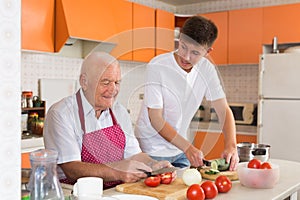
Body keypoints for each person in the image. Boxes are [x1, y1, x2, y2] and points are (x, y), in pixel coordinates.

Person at [43, 52, 174, 189]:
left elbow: (134, 154)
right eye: (105, 82)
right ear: (84, 82)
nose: (113, 90)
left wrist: (154, 165)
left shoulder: (119, 112)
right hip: (76, 194)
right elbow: (72, 169)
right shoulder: (61, 114)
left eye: (117, 82)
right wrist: (118, 172)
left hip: (114, 191)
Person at [135, 16, 239, 170]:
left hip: (180, 148)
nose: (186, 56)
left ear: (207, 51)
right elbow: (155, 118)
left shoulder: (207, 70)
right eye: (183, 47)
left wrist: (231, 145)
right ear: (179, 39)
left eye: (195, 52)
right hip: (152, 148)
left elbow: (223, 110)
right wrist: (188, 148)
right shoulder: (157, 66)